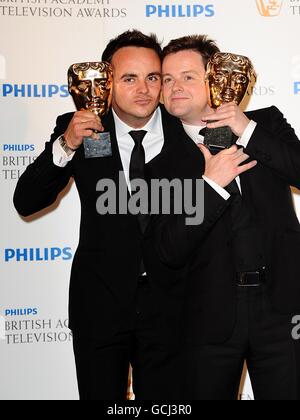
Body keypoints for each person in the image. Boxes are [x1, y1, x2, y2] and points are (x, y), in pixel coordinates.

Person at [13, 30, 189, 401]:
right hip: (100, 307)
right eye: (129, 78)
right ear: (106, 82)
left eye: (152, 77)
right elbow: (26, 201)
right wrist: (67, 144)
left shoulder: (187, 131)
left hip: (172, 310)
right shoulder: (81, 126)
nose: (143, 89)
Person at [151, 35, 300, 400]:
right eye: (167, 79)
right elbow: (167, 248)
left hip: (282, 311)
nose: (174, 87)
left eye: (187, 76)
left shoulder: (265, 123)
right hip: (207, 320)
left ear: (216, 77)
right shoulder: (160, 161)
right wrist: (210, 186)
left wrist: (245, 129)